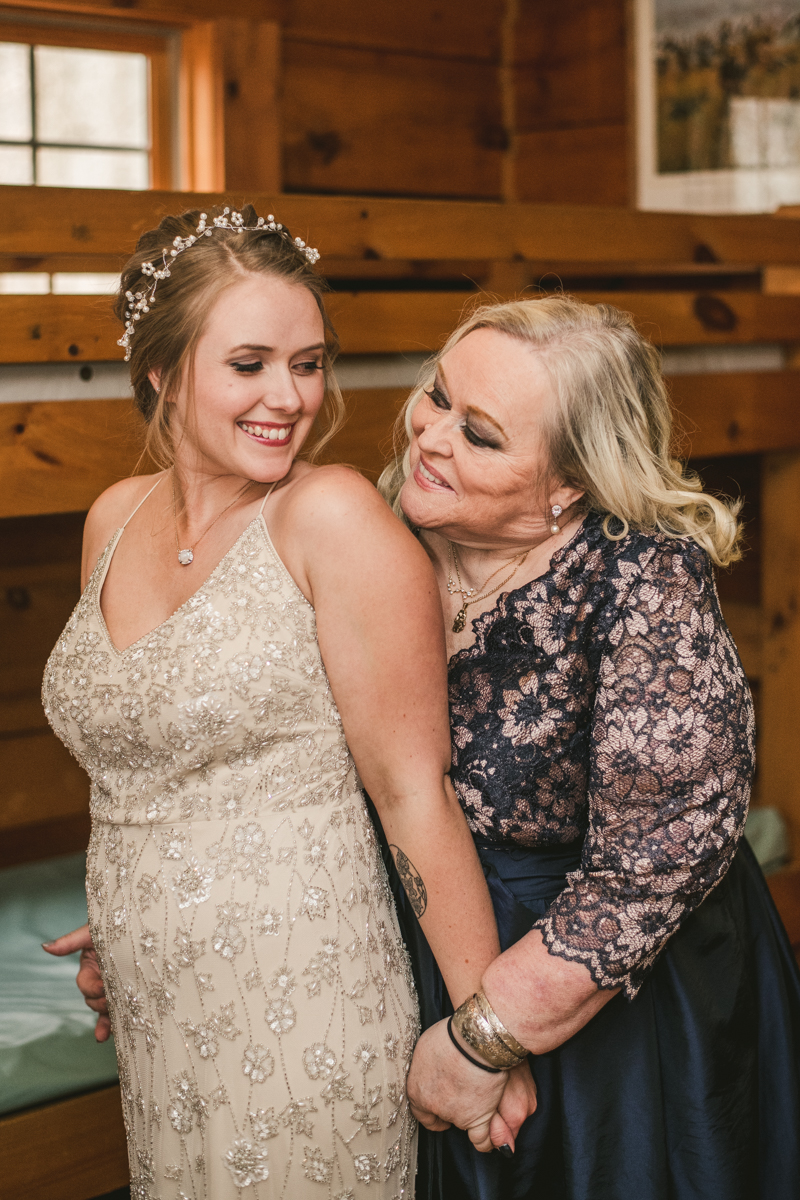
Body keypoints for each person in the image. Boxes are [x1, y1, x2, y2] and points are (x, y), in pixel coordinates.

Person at [41, 205, 504, 1199]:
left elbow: (414, 792)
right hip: (159, 1009)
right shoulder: (112, 520)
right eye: (248, 364)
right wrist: (123, 918)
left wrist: (483, 1032)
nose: (288, 398)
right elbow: (134, 759)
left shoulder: (328, 515)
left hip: (303, 997)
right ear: (162, 372)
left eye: (307, 362)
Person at [376, 295, 800, 1200]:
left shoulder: (643, 578)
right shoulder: (380, 525)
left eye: (480, 435)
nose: (430, 436)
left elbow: (651, 865)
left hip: (604, 981)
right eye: (437, 395)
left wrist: (481, 1040)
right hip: (427, 933)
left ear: (569, 480)